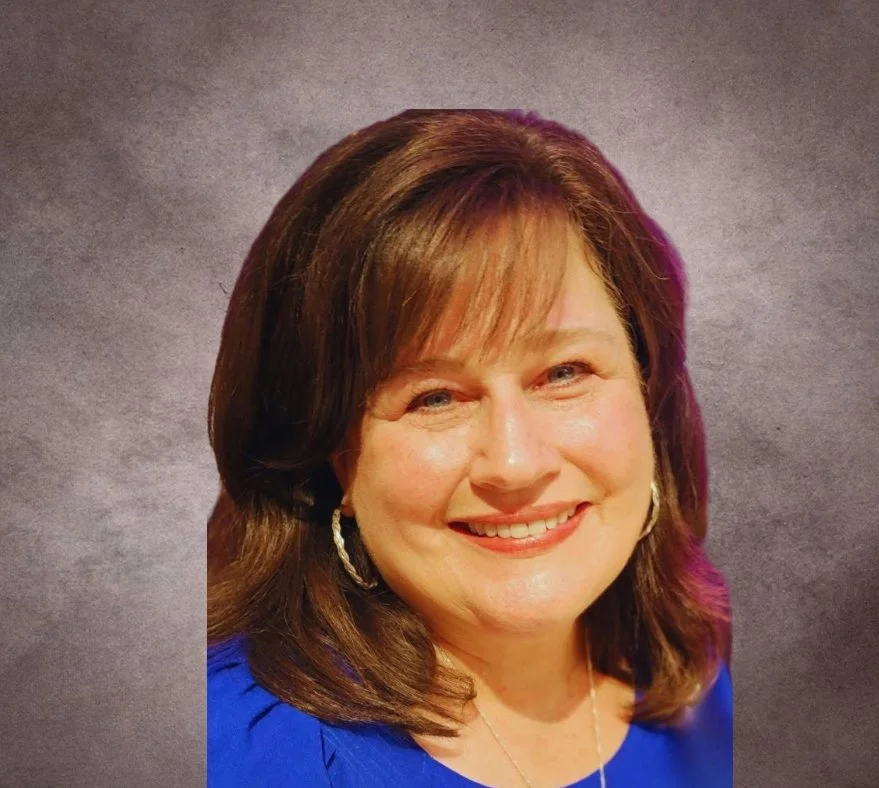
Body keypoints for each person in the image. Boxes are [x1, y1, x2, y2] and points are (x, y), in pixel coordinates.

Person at [206, 108, 732, 787]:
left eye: (564, 373)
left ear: (649, 397)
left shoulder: (724, 695)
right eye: (434, 398)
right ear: (326, 456)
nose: (515, 463)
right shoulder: (238, 757)